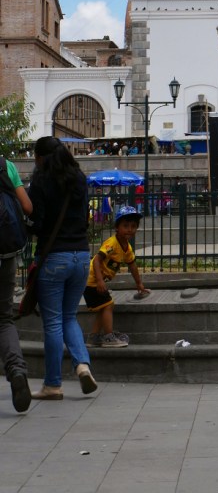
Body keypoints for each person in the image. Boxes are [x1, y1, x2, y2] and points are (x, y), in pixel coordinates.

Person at [28, 136, 97, 399]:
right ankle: (82, 366)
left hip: (54, 257)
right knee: (69, 316)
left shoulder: (41, 181)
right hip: (81, 255)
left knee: (54, 322)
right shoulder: (78, 178)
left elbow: (37, 222)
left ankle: (53, 385)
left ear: (40, 157)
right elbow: (84, 218)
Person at [84, 205, 149, 348]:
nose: (129, 229)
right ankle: (108, 337)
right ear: (117, 227)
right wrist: (100, 281)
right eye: (125, 226)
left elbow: (132, 266)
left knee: (103, 306)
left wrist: (139, 284)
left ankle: (93, 337)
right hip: (91, 280)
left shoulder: (127, 247)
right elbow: (97, 260)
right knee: (108, 305)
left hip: (95, 281)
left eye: (133, 226)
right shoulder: (112, 243)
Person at [0, 155, 33, 412]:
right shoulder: (6, 165)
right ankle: (17, 371)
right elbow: (27, 207)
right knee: (3, 319)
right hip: (5, 254)